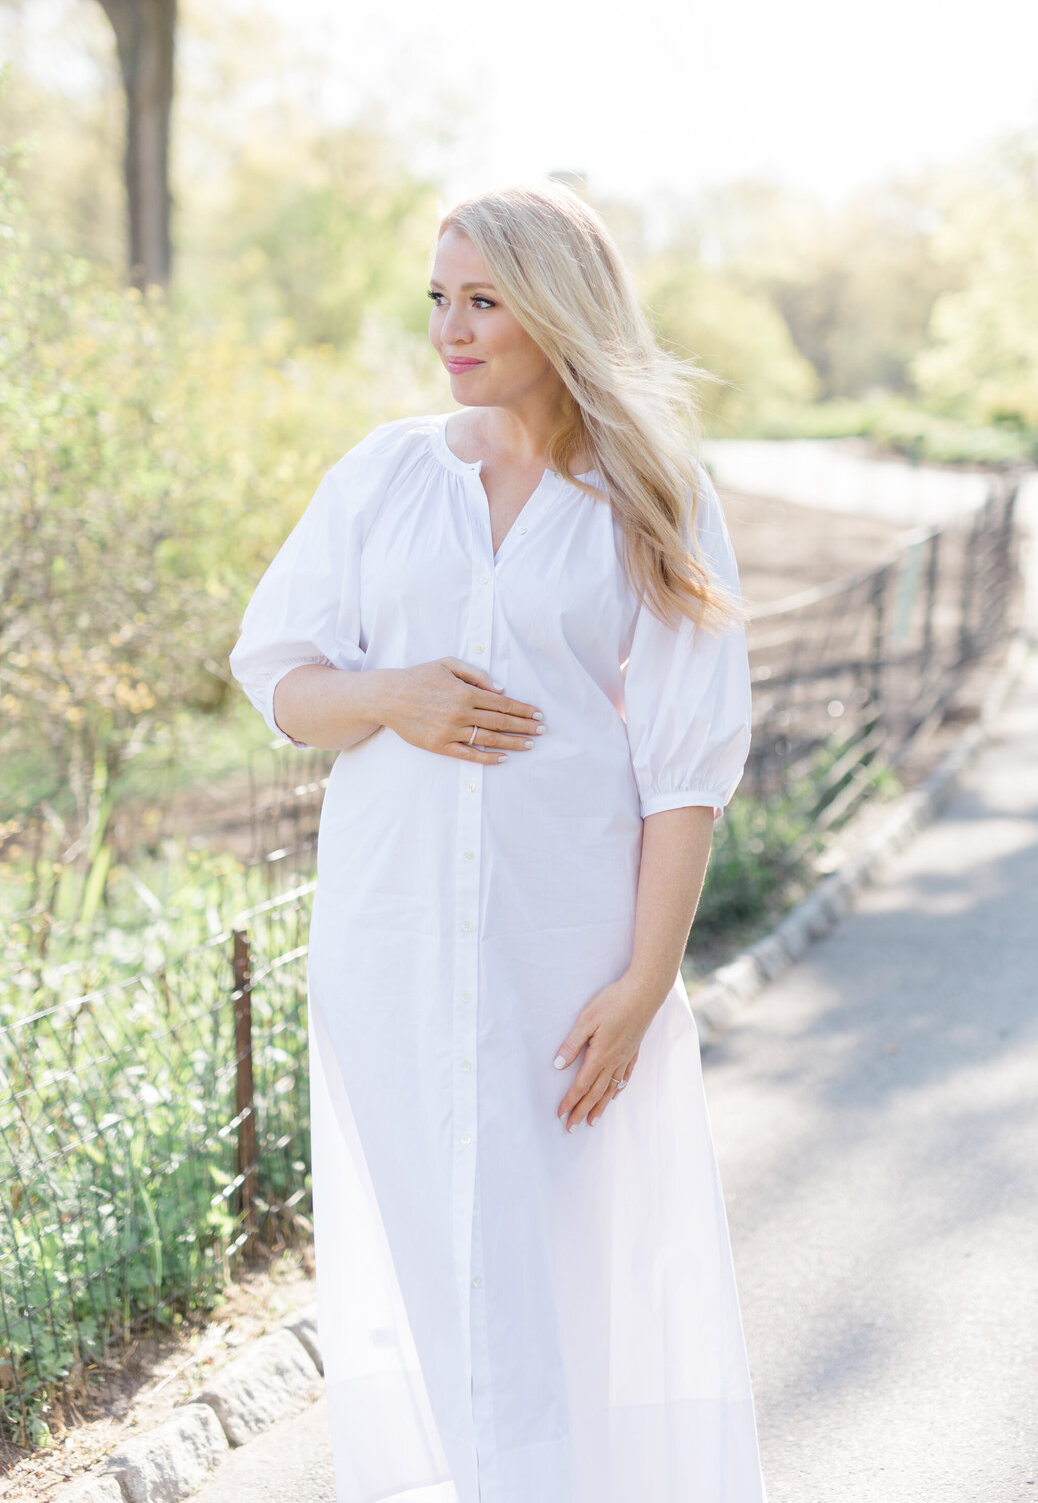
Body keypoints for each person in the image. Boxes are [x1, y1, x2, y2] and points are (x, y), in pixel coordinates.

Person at [230, 184, 765, 1503]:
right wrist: (394, 696)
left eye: (482, 301)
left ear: (556, 309)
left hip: (565, 956)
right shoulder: (385, 478)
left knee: (568, 1277)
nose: (450, 330)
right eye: (439, 299)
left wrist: (645, 983)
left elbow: (686, 770)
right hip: (390, 946)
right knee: (438, 1286)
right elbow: (279, 674)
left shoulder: (652, 498)